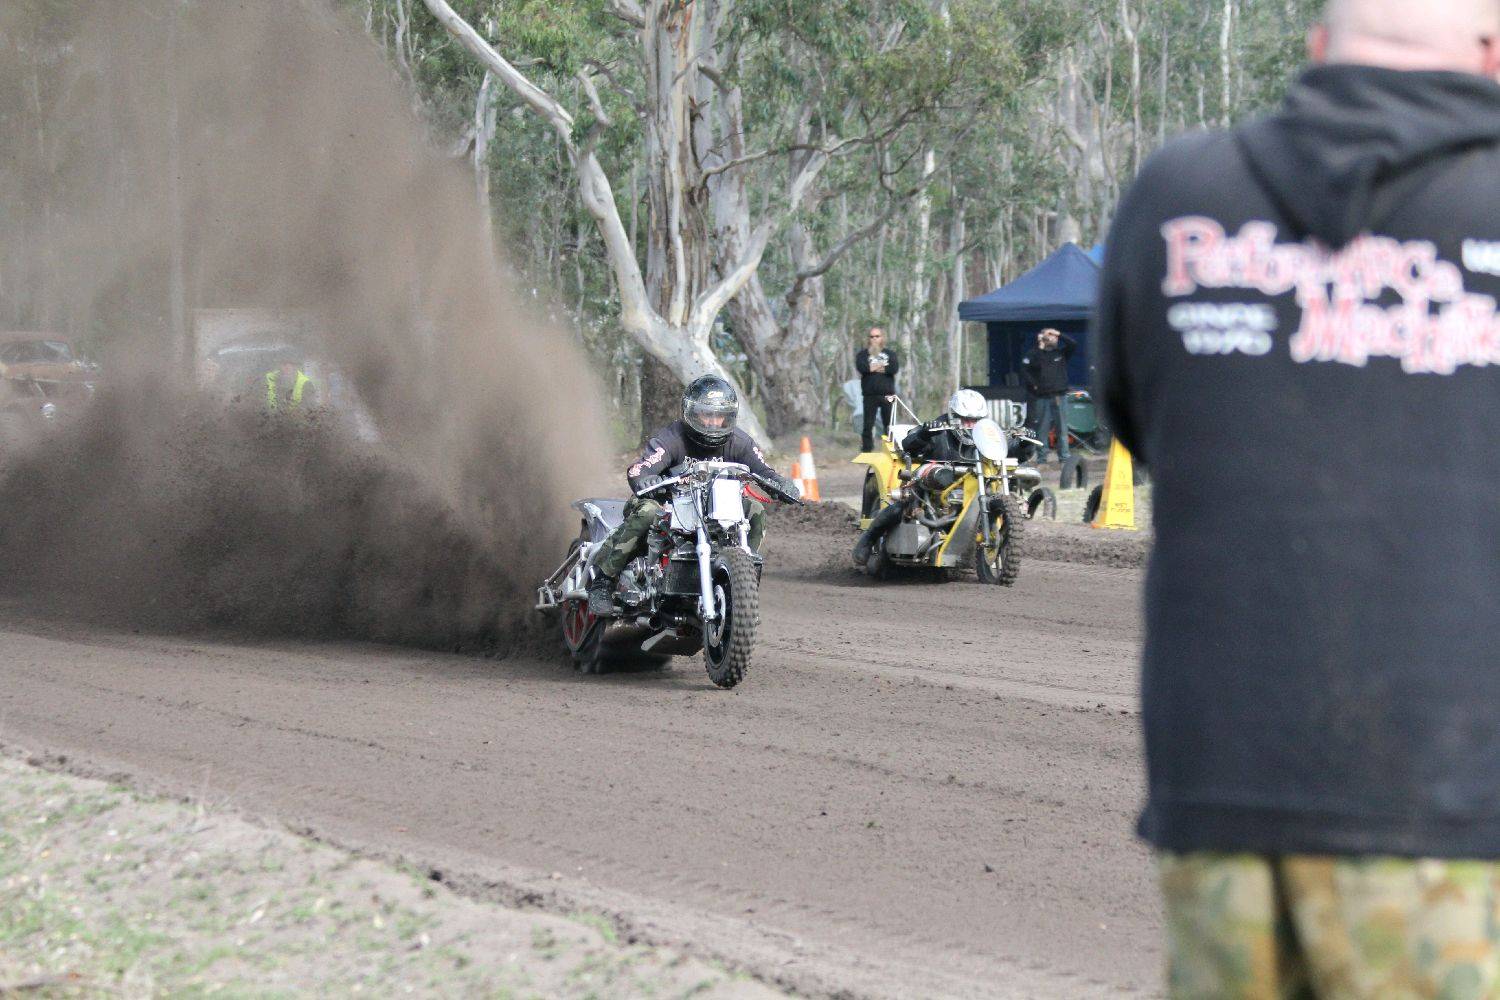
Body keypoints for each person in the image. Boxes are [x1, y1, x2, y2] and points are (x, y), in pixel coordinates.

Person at [1093, 0, 1500, 995]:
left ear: (1320, 51)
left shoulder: (1178, 194)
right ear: (1492, 54)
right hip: (1448, 793)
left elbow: (1140, 419)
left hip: (1220, 783)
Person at [588, 375, 799, 615]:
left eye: (720, 416)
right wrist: (647, 479)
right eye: (706, 415)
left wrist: (781, 484)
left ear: (730, 416)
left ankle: (742, 576)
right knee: (647, 512)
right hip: (666, 502)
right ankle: (603, 581)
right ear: (691, 413)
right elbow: (639, 469)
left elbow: (764, 471)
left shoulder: (740, 442)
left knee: (755, 510)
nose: (713, 422)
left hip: (713, 506)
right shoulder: (671, 438)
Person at [851, 389, 987, 566]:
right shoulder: (938, 428)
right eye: (966, 420)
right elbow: (908, 444)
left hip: (974, 481)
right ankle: (868, 539)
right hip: (936, 478)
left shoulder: (985, 434)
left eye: (975, 420)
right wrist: (924, 434)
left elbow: (1007, 448)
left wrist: (1020, 445)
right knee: (906, 502)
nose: (970, 425)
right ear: (953, 416)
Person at [1020, 328, 1076, 464]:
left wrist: (1059, 334)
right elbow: (1026, 369)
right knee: (1042, 428)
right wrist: (1034, 385)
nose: (1053, 338)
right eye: (1049, 336)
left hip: (1059, 396)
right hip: (1042, 396)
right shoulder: (1035, 354)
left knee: (1062, 428)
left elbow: (1073, 344)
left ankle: (1064, 457)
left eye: (1054, 337)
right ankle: (1042, 458)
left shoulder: (1060, 353)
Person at [854, 327, 900, 452]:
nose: (874, 339)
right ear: (868, 339)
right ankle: (867, 450)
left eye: (877, 336)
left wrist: (872, 367)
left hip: (887, 395)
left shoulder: (890, 354)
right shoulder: (862, 355)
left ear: (882, 338)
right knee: (868, 425)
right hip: (869, 395)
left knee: (889, 425)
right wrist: (882, 365)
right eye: (872, 336)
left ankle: (891, 450)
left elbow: (894, 368)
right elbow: (862, 368)